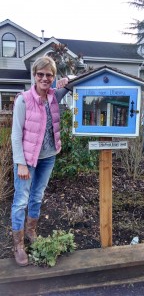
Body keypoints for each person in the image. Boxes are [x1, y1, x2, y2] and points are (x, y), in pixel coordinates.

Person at [11, 56, 69, 266]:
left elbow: (77, 80)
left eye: (49, 75)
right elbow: (16, 135)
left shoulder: (54, 96)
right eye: (41, 74)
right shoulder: (23, 100)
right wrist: (21, 163)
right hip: (27, 160)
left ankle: (31, 232)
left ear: (53, 77)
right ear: (34, 76)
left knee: (37, 196)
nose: (45, 78)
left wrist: (67, 79)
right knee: (21, 200)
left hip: (48, 157)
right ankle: (18, 244)